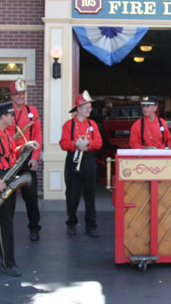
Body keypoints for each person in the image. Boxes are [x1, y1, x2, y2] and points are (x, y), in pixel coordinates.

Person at [0, 101, 39, 277]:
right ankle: (8, 263)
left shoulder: (6, 135)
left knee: (3, 220)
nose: (13, 117)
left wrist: (25, 146)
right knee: (6, 223)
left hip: (6, 178)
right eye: (11, 114)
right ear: (3, 116)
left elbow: (11, 153)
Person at [59, 91, 103, 237]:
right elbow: (63, 143)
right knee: (72, 194)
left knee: (90, 194)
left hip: (88, 160)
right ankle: (71, 222)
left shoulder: (93, 124)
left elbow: (99, 142)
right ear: (78, 108)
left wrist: (88, 143)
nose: (89, 110)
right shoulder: (68, 125)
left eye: (89, 107)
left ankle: (91, 225)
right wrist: (75, 144)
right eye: (86, 108)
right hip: (73, 160)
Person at [4, 78, 43, 242]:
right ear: (11, 96)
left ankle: (34, 228)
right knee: (9, 199)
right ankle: (7, 228)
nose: (20, 97)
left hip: (27, 159)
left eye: (22, 93)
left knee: (31, 197)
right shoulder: (6, 113)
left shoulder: (32, 111)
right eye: (17, 94)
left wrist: (35, 158)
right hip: (11, 159)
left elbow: (38, 137)